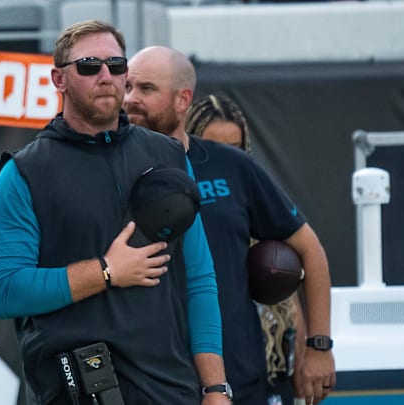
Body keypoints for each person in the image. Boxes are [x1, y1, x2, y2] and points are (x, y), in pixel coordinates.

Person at [0, 20, 231, 405]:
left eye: (116, 66)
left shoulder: (167, 155)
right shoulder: (25, 171)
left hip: (170, 389)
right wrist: (106, 272)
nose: (106, 76)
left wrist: (215, 388)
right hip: (73, 390)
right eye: (88, 66)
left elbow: (199, 279)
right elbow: (4, 290)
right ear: (59, 79)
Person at [124, 45, 336, 405]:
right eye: (127, 87)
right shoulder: (112, 168)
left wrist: (318, 346)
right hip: (146, 376)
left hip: (238, 371)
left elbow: (310, 250)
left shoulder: (232, 166)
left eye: (145, 89)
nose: (130, 99)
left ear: (182, 99)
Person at [186, 93, 308, 405]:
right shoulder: (176, 197)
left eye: (235, 148)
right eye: (214, 145)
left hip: (258, 367)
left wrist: (308, 352)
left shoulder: (253, 196)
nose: (225, 157)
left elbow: (288, 295)